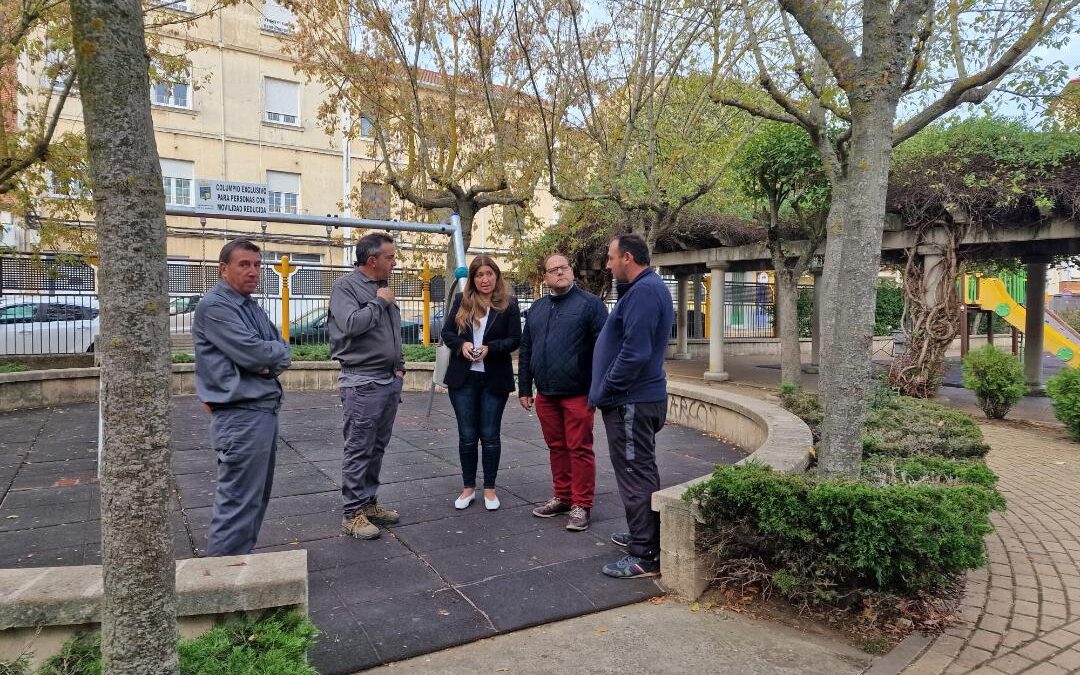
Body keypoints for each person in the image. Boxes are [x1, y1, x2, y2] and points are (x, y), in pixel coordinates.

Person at [193, 238, 292, 557]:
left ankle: (239, 578)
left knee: (253, 500)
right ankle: (221, 587)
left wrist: (268, 359)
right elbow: (255, 354)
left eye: (257, 265)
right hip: (241, 416)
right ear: (224, 269)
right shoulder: (216, 306)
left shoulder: (248, 305)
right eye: (244, 264)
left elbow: (279, 349)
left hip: (259, 412)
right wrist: (266, 359)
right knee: (237, 504)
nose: (253, 271)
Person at [589, 233, 673, 579]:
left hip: (630, 401)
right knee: (640, 471)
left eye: (610, 258)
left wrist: (608, 390)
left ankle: (645, 555)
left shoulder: (644, 292)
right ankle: (645, 535)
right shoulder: (644, 290)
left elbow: (634, 353)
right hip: (634, 400)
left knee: (635, 474)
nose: (607, 265)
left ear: (626, 257)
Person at [519, 253, 607, 531]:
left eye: (564, 267)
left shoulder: (590, 305)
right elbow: (527, 351)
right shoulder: (538, 308)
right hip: (546, 394)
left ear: (571, 271)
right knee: (556, 448)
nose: (559, 272)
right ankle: (563, 496)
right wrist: (524, 388)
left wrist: (598, 388)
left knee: (579, 448)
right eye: (553, 270)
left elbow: (604, 350)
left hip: (578, 393)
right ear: (545, 278)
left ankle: (581, 504)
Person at [327, 232, 406, 540]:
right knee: (359, 448)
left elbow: (391, 334)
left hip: (387, 379)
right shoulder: (345, 287)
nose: (394, 262)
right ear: (372, 260)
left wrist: (399, 369)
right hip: (362, 381)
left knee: (376, 447)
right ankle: (352, 513)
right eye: (390, 257)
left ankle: (368, 503)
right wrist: (378, 303)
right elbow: (351, 325)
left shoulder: (381, 288)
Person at [441, 255, 521, 511]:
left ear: (496, 275)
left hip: (494, 378)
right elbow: (446, 333)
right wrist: (462, 344)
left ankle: (489, 489)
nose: (485, 279)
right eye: (479, 275)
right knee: (466, 436)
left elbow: (515, 339)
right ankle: (467, 488)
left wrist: (491, 348)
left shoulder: (509, 304)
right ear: (473, 279)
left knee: (490, 435)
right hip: (463, 379)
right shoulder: (461, 301)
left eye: (489, 273)